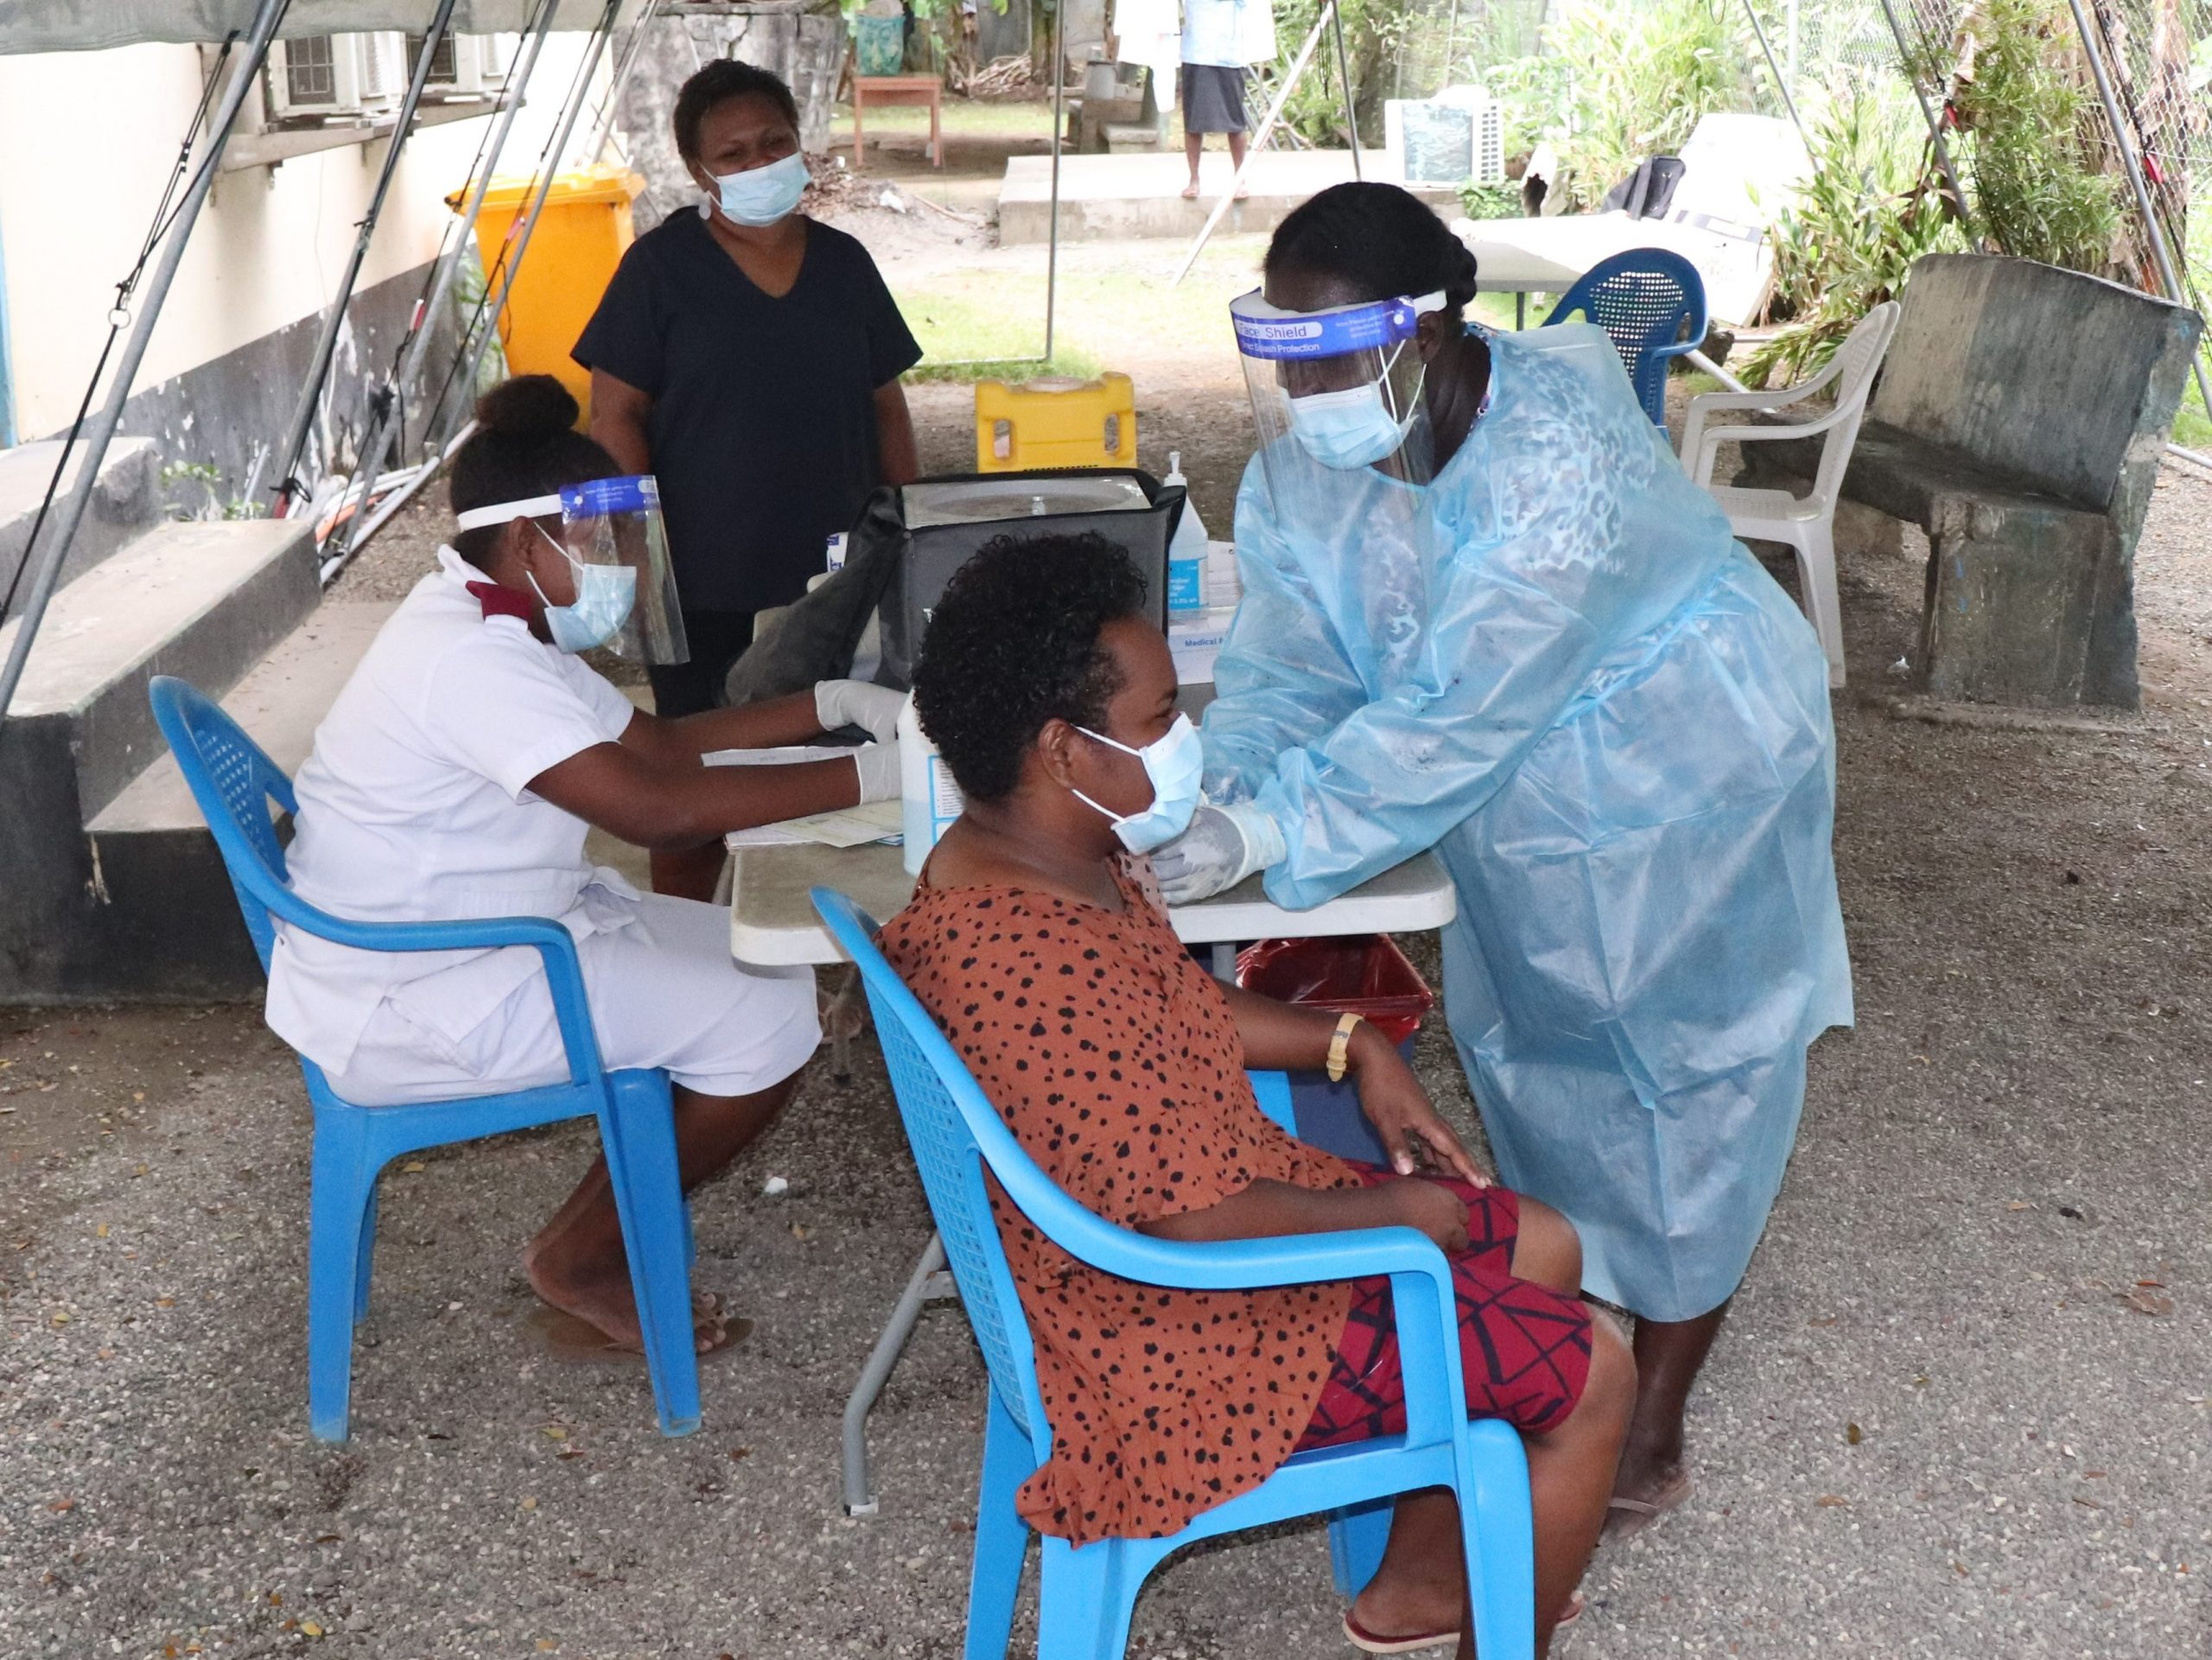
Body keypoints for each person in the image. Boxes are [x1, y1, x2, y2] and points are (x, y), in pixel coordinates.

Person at [1156, 182, 1853, 1536]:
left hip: (1693, 768)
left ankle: (1652, 1408)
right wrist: (1218, 788)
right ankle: (1577, 1302)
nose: (1306, 393)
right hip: (1516, 793)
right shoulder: (1311, 461)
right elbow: (1290, 666)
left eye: (1332, 356)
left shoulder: (1554, 457)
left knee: (1696, 1072)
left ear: (1423, 335)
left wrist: (1279, 831)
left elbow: (1454, 708)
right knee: (1540, 1044)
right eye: (1283, 357)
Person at [877, 533, 1633, 1655]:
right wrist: (1395, 1214)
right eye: (1158, 719)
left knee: (1547, 1243)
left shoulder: (1047, 859)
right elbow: (1188, 1221)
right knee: (1596, 1373)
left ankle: (1420, 1587)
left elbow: (1176, 1008)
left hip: (1174, 1262)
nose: (1183, 741)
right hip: (1179, 1344)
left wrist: (1349, 1045)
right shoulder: (1033, 958)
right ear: (1060, 748)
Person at [264, 376, 907, 1355]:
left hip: (460, 940)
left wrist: (824, 706)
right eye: (608, 544)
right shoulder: (471, 664)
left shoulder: (494, 623)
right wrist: (870, 777)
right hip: (421, 991)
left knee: (773, 972)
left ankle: (597, 1231)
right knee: (767, 1021)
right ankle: (581, 1253)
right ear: (530, 543)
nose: (628, 567)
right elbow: (661, 812)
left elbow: (659, 748)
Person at [575, 59, 923, 900]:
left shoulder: (843, 266)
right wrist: (634, 549)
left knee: (827, 764)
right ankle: (685, 932)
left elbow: (887, 406)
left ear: (801, 147)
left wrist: (913, 523)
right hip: (702, 577)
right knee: (693, 776)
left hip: (832, 575)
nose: (757, 162)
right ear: (699, 172)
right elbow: (613, 414)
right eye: (732, 154)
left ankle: (812, 940)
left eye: (774, 142)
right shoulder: (659, 271)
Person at [1178, 0, 1274, 200]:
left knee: (1235, 122)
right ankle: (1193, 179)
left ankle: (1240, 178)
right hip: (1196, 51)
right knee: (1193, 124)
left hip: (1228, 53)